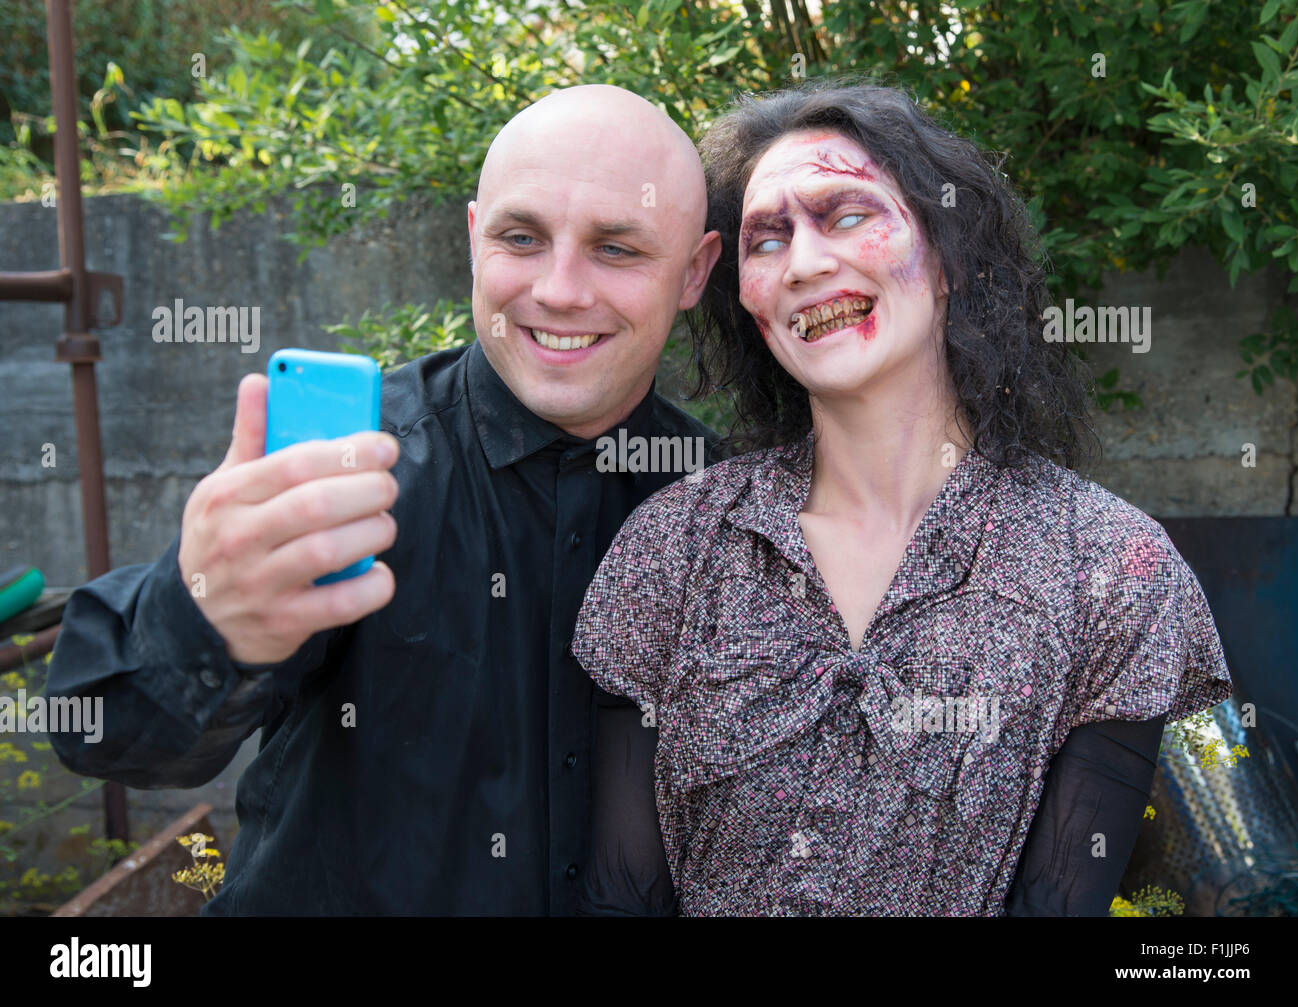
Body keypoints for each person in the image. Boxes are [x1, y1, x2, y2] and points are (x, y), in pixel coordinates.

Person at [45, 84, 723, 915]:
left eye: (616, 248)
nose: (560, 288)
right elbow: (93, 729)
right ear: (475, 239)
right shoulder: (349, 468)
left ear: (695, 272)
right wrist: (203, 617)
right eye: (522, 237)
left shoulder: (725, 512)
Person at [570, 80, 1235, 915]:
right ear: (744, 293)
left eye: (845, 215)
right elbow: (619, 895)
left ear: (950, 254)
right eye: (766, 238)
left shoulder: (1107, 565)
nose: (805, 263)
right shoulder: (672, 546)